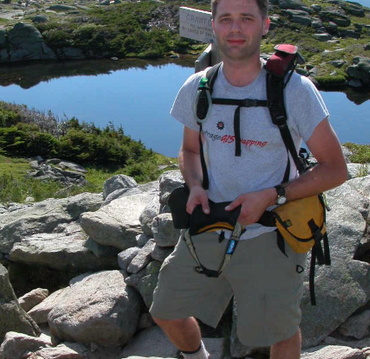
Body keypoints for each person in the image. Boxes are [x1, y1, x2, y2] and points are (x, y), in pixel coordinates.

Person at [149, 0, 348, 358]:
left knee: (281, 332)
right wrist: (194, 185)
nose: (235, 29)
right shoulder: (198, 87)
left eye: (246, 18)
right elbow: (190, 151)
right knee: (166, 311)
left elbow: (336, 168)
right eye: (226, 19)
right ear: (213, 26)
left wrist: (272, 195)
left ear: (265, 25)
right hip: (208, 225)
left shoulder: (295, 91)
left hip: (270, 235)